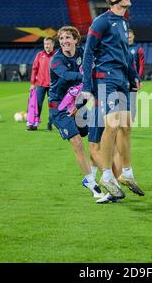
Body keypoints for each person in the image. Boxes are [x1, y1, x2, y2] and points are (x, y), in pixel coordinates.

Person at [81, 0, 143, 199]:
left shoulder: (124, 22)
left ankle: (127, 173)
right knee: (113, 123)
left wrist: (133, 75)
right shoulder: (101, 22)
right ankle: (107, 174)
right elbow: (88, 54)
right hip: (105, 78)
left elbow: (126, 54)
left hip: (121, 78)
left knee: (126, 126)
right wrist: (87, 87)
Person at [48, 26, 104, 200]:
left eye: (68, 38)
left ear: (75, 40)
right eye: (62, 38)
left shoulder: (83, 53)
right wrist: (89, 76)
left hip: (78, 104)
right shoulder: (56, 60)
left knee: (96, 135)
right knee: (77, 142)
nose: (64, 41)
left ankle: (92, 174)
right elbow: (66, 76)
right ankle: (91, 182)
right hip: (59, 107)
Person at [29, 36, 56, 131]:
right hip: (40, 84)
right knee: (37, 105)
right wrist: (32, 83)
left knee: (52, 106)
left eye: (48, 44)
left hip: (53, 85)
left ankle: (50, 123)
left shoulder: (57, 55)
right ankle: (34, 124)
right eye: (45, 44)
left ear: (53, 44)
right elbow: (34, 69)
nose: (46, 46)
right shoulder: (39, 55)